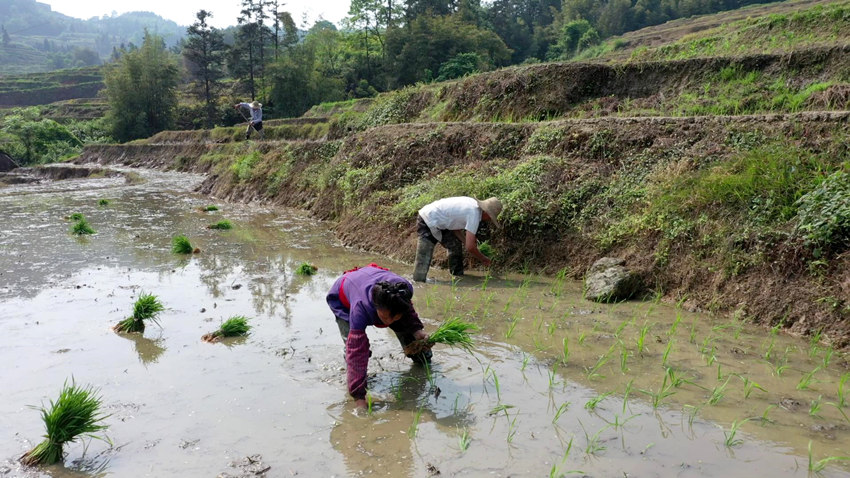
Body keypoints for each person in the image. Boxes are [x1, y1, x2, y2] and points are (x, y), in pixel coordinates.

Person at [327, 263, 432, 408]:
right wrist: (359, 399)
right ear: (376, 306)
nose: (389, 322)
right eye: (385, 317)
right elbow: (356, 351)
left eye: (394, 318)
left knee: (412, 339)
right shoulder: (360, 308)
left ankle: (423, 363)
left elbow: (408, 312)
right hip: (344, 297)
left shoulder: (404, 291)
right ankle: (354, 382)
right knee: (353, 348)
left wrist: (416, 330)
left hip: (376, 284)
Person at [413, 196, 502, 282]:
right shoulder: (474, 213)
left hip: (442, 222)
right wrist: (483, 258)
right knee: (424, 255)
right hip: (428, 218)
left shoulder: (472, 204)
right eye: (490, 217)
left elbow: (455, 227)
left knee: (455, 245)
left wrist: (465, 241)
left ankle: (458, 277)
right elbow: (470, 247)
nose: (488, 220)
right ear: (487, 213)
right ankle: (418, 281)